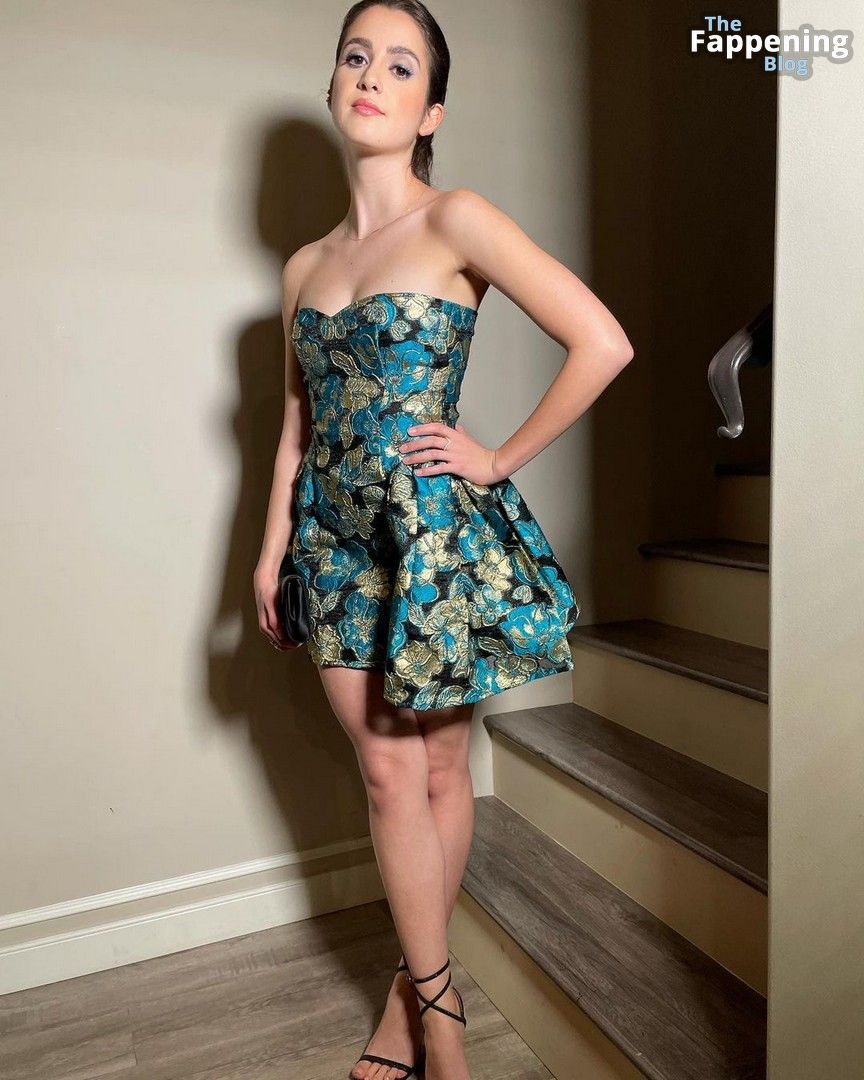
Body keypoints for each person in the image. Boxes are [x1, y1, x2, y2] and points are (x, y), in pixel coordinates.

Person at [253, 3, 633, 1077]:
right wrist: (269, 550)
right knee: (388, 772)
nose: (372, 76)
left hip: (429, 537)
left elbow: (601, 341)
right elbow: (295, 425)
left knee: (440, 765)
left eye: (400, 65)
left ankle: (417, 1010)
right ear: (334, 85)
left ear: (431, 112)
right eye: (356, 57)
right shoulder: (302, 268)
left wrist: (498, 457)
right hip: (331, 541)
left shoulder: (457, 218)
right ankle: (438, 1003)